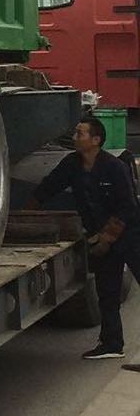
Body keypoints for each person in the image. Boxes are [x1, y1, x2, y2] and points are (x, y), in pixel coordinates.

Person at [32, 113, 140, 360]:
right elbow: (49, 187)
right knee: (108, 294)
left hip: (130, 235)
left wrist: (107, 238)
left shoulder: (115, 167)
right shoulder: (72, 164)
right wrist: (23, 211)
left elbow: (127, 207)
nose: (74, 137)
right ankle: (112, 344)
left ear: (96, 140)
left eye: (80, 133)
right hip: (102, 239)